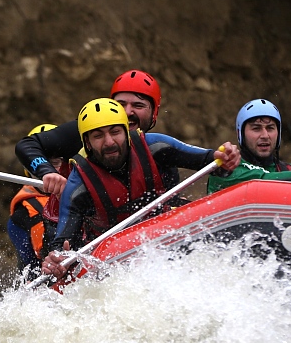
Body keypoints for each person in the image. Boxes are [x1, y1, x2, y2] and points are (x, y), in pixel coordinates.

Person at [40, 98, 240, 280]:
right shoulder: (78, 185)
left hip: (166, 236)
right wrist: (57, 260)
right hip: (116, 261)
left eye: (115, 132)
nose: (109, 142)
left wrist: (226, 160)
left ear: (127, 133)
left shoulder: (155, 146)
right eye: (98, 136)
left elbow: (209, 161)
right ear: (88, 144)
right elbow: (63, 244)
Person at [16, 69, 203, 196]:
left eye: (138, 105)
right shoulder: (84, 132)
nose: (127, 112)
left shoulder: (159, 152)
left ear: (154, 113)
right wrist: (46, 171)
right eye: (121, 104)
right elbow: (27, 145)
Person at [207, 99, 291, 193]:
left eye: (270, 128)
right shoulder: (226, 169)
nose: (265, 135)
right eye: (256, 128)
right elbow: (261, 181)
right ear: (240, 134)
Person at [7, 123, 62, 272]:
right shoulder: (20, 215)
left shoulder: (83, 190)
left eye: (55, 163)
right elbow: (29, 266)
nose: (47, 173)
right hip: (46, 271)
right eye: (39, 165)